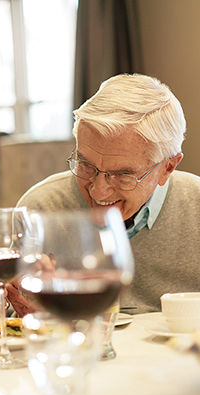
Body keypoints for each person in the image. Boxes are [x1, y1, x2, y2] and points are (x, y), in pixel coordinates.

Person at [14, 73, 200, 314]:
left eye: (123, 175)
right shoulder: (39, 209)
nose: (98, 190)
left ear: (168, 167)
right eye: (85, 165)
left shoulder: (196, 206)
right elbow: (10, 324)